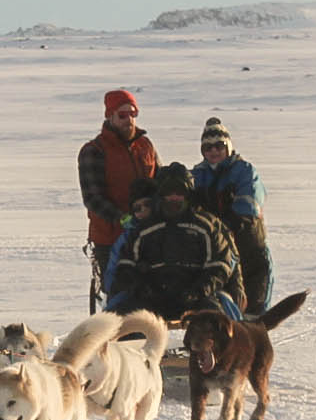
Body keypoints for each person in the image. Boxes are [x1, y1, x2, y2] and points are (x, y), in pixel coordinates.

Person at [108, 163, 243, 321]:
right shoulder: (144, 229)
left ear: (188, 193)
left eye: (179, 192)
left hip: (196, 296)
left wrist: (199, 290)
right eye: (168, 192)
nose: (173, 197)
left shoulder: (205, 226)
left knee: (219, 318)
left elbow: (219, 265)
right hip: (151, 297)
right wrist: (141, 287)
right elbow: (126, 265)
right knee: (118, 317)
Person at [77, 88, 157, 310]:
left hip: (148, 235)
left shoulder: (146, 146)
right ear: (109, 116)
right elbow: (93, 198)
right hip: (110, 240)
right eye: (122, 115)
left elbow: (158, 182)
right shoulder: (94, 151)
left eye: (133, 114)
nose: (129, 120)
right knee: (120, 296)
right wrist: (122, 218)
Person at [191, 116, 271, 314]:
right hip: (214, 246)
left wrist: (224, 226)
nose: (214, 151)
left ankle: (254, 325)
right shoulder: (198, 175)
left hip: (247, 242)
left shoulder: (244, 170)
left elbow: (249, 204)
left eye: (219, 146)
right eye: (208, 148)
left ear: (228, 146)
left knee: (253, 295)